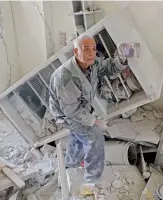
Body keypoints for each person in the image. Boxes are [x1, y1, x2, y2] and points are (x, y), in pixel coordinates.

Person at [49, 34, 128, 185]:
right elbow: (72, 112)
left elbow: (108, 67)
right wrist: (94, 121)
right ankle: (92, 180)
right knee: (95, 136)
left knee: (78, 137)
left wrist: (122, 59)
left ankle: (70, 164)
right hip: (66, 115)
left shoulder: (92, 63)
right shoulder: (65, 77)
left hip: (79, 108)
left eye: (93, 49)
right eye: (86, 49)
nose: (92, 53)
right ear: (76, 52)